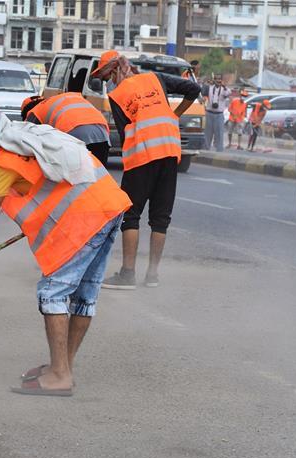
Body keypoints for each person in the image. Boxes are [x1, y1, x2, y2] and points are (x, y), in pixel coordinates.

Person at [0, 104, 131, 396]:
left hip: (87, 217)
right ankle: (63, 367)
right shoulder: (29, 134)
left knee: (52, 292)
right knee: (84, 295)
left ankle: (59, 376)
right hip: (110, 205)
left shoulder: (5, 161)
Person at [91, 51, 200, 290]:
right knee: (160, 218)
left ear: (117, 69)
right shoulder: (155, 79)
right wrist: (174, 116)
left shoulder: (117, 95)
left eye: (107, 76)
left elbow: (125, 131)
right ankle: (152, 275)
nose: (108, 82)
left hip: (142, 155)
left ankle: (128, 274)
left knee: (130, 215)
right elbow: (194, 90)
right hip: (170, 152)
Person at [21, 93, 111, 164]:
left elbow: (25, 139)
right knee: (99, 177)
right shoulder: (60, 100)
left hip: (73, 133)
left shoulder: (35, 111)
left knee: (73, 179)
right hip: (102, 133)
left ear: (26, 111)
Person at [202, 76, 231, 151]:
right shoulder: (210, 88)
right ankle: (205, 149)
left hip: (219, 114)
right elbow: (203, 91)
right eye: (216, 79)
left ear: (222, 80)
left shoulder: (224, 89)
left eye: (219, 79)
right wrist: (207, 82)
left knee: (219, 134)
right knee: (207, 133)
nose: (218, 81)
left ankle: (219, 150)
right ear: (214, 80)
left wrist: (223, 86)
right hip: (209, 113)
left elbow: (228, 93)